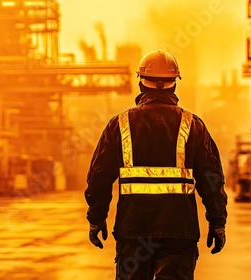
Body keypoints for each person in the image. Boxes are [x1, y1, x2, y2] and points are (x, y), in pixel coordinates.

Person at [84, 49, 228, 280]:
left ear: (141, 84)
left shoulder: (119, 125)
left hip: (133, 229)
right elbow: (212, 180)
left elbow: (99, 178)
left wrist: (96, 219)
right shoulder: (193, 125)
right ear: (174, 84)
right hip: (179, 231)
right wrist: (217, 222)